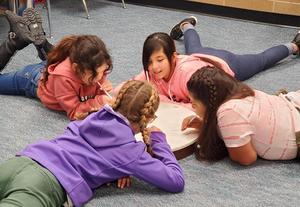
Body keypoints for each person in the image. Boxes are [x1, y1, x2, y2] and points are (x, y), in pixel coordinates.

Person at [0, 80, 185, 207]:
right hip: (46, 183)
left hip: (25, 160)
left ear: (118, 102)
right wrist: (159, 140)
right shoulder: (131, 153)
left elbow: (95, 153)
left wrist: (119, 170)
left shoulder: (92, 116)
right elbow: (175, 181)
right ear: (149, 117)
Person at [124, 16, 300, 106]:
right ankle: (186, 25)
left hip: (226, 64)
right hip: (197, 55)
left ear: (173, 57)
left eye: (159, 60)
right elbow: (130, 87)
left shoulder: (190, 77)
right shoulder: (151, 72)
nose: (154, 67)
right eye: (149, 61)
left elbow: (205, 108)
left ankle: (294, 45)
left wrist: (164, 100)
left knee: (262, 60)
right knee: (193, 46)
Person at [0, 9, 113, 120]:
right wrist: (99, 101)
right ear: (76, 68)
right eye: (94, 75)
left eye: (104, 71)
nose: (100, 77)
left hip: (53, 69)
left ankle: (42, 43)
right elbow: (75, 112)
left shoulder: (95, 64)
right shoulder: (63, 78)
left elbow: (99, 90)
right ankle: (14, 41)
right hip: (31, 78)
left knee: (55, 58)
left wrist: (103, 92)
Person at [181, 66, 300, 166]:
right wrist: (207, 126)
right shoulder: (239, 91)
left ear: (209, 103)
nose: (192, 107)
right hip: (293, 101)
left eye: (194, 103)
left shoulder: (228, 112)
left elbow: (246, 158)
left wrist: (216, 130)